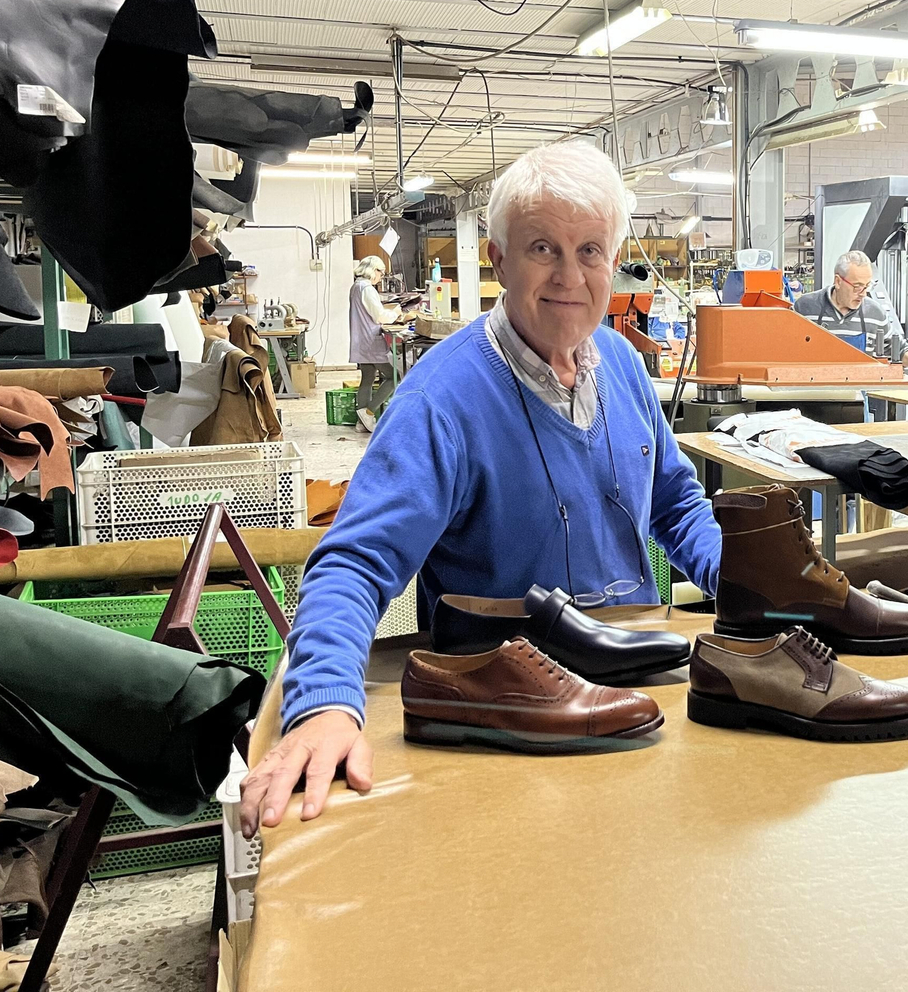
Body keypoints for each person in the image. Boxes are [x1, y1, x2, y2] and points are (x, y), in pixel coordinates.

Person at [239, 139, 723, 834]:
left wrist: (746, 585)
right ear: (498, 259)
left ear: (613, 262)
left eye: (590, 251)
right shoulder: (441, 401)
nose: (569, 275)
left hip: (636, 694)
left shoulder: (620, 362)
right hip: (508, 714)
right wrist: (324, 703)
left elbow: (676, 503)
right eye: (542, 248)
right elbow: (352, 564)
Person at [794, 250, 908, 370]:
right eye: (857, 286)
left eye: (867, 286)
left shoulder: (875, 313)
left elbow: (898, 348)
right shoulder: (805, 307)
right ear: (838, 281)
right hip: (811, 393)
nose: (863, 293)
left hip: (857, 395)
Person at [349, 256, 400, 432]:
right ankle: (369, 412)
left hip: (361, 340)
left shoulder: (356, 286)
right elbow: (379, 316)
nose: (381, 276)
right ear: (373, 270)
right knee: (394, 377)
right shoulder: (367, 289)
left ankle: (361, 424)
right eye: (381, 272)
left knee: (368, 379)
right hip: (371, 340)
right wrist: (396, 313)